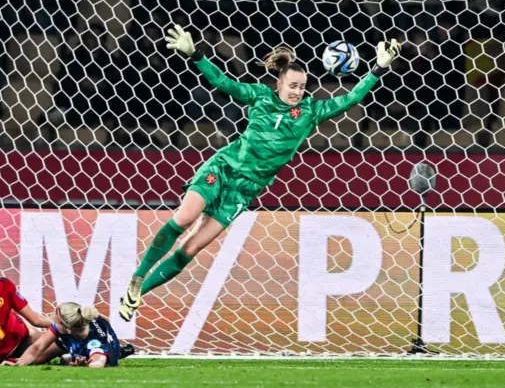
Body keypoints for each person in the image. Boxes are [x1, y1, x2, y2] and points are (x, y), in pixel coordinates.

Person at [119, 25, 402, 321]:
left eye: (302, 87)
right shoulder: (259, 97)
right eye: (292, 86)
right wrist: (195, 54)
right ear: (279, 83)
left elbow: (351, 99)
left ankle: (137, 294)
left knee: (190, 249)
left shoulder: (311, 111)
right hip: (224, 168)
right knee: (184, 218)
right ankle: (138, 277)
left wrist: (378, 68)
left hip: (245, 191)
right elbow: (223, 83)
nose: (297, 92)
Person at [5, 302, 134, 367]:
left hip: (98, 349)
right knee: (37, 358)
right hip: (73, 340)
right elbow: (37, 347)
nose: (51, 320)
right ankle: (70, 355)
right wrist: (19, 364)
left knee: (67, 360)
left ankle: (120, 351)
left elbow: (98, 363)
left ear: (68, 329)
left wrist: (88, 365)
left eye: (54, 319)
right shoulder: (75, 319)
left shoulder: (94, 344)